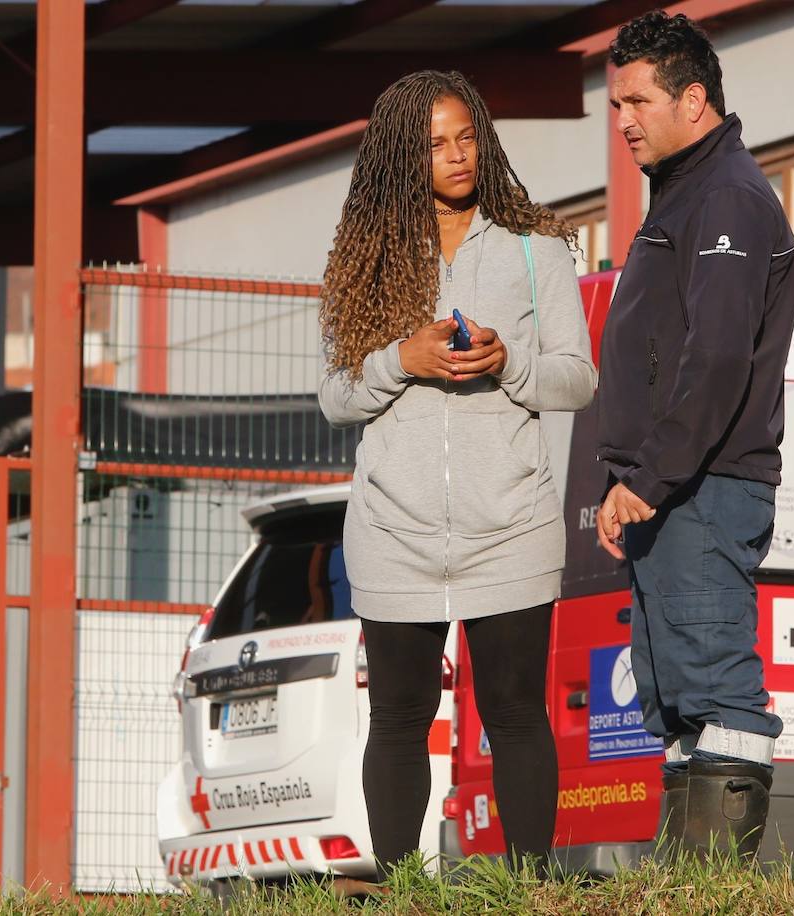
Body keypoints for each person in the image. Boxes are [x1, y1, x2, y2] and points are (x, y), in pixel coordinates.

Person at [317, 70, 595, 874]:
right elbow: (335, 395)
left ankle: (531, 889)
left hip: (511, 522)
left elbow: (577, 379)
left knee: (514, 710)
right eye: (436, 143)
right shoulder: (365, 257)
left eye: (467, 136)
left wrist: (509, 363)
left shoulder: (532, 246)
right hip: (392, 529)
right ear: (404, 154)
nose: (457, 155)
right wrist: (399, 359)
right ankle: (403, 889)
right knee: (400, 715)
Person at [594, 11, 794, 859]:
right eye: (615, 104)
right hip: (672, 489)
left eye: (637, 100)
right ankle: (689, 887)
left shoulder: (726, 199)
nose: (624, 121)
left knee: (717, 690)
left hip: (701, 488)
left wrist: (648, 477)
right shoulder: (684, 195)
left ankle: (715, 893)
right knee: (678, 700)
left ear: (695, 99)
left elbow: (714, 361)